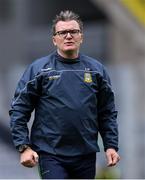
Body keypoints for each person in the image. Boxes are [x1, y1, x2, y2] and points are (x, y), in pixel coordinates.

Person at [9, 10, 120, 179]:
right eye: (62, 32)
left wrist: (111, 146)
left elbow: (107, 112)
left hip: (86, 154)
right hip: (50, 154)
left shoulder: (97, 70)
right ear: (54, 39)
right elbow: (19, 109)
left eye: (73, 31)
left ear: (81, 37)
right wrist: (24, 147)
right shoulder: (39, 70)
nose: (68, 36)